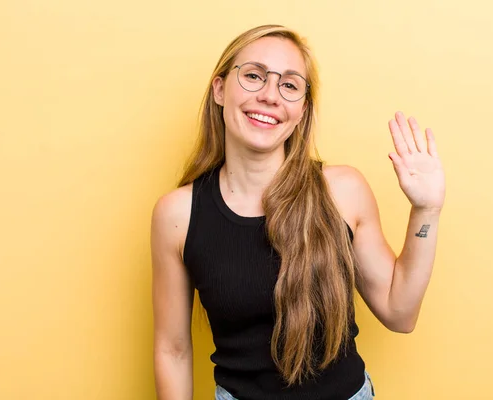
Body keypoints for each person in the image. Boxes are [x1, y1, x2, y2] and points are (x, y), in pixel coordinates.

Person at [150, 24, 445, 400]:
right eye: (254, 76)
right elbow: (172, 350)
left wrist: (426, 209)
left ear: (301, 109)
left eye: (289, 85)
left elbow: (399, 313)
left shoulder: (343, 191)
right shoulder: (177, 215)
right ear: (220, 90)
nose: (270, 95)